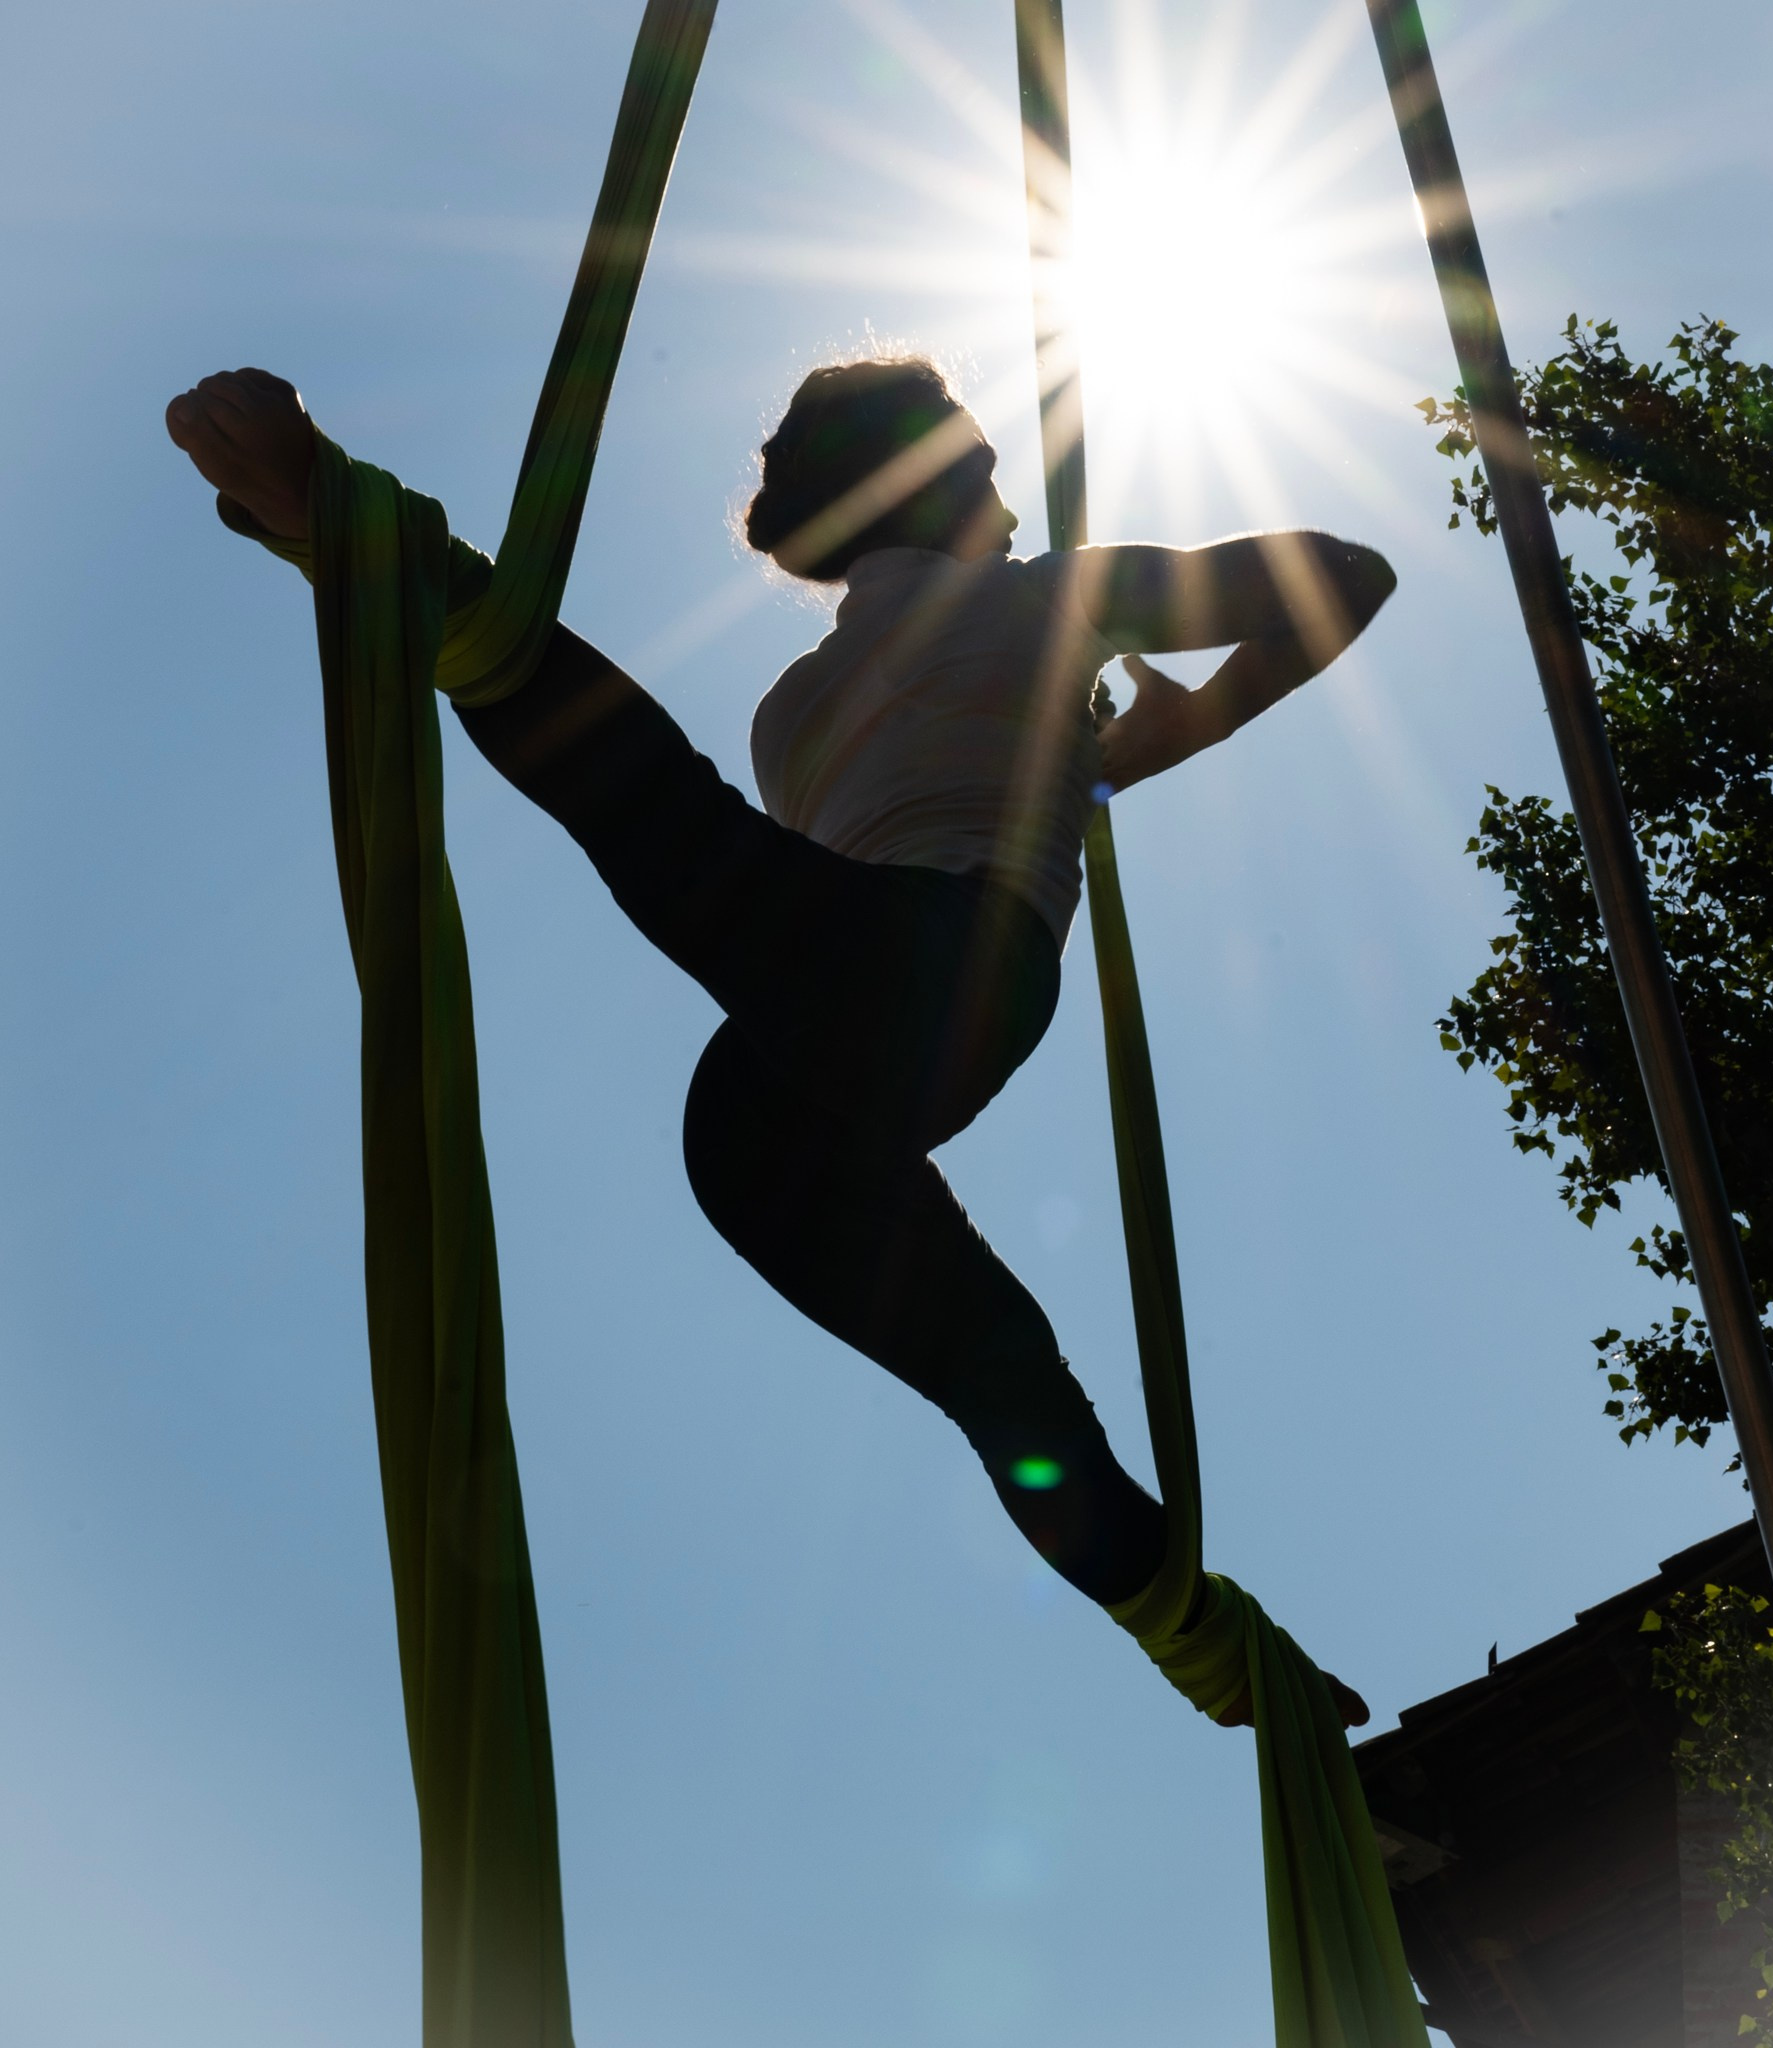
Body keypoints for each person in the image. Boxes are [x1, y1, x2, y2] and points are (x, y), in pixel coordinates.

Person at [166, 356, 1396, 1722]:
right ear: (947, 484)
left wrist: (1109, 748)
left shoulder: (790, 714)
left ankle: (371, 551)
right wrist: (1156, 741)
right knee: (998, 1372)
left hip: (784, 1088)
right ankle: (1205, 1646)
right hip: (897, 1007)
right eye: (987, 468)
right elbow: (1345, 575)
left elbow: (778, 895)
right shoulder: (1058, 594)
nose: (1006, 497)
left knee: (663, 825)